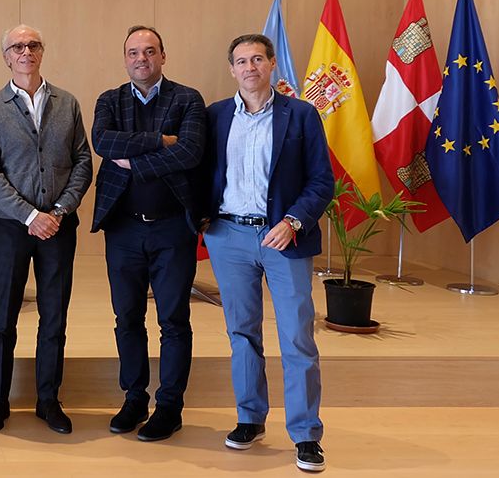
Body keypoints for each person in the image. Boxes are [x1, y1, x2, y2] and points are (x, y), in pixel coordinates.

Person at [199, 34, 332, 472]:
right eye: (241, 60)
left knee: (296, 336)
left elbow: (320, 182)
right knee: (242, 333)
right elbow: (200, 174)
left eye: (258, 58)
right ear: (231, 69)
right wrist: (199, 218)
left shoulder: (302, 115)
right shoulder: (215, 115)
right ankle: (250, 417)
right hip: (228, 237)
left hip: (284, 238)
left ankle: (306, 434)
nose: (249, 66)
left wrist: (292, 221)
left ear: (272, 64)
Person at [90, 26, 205, 442]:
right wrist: (159, 141)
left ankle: (169, 405)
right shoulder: (109, 99)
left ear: (163, 55)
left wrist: (133, 161)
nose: (142, 59)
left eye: (150, 51)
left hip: (173, 228)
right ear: (125, 59)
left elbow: (190, 152)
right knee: (127, 318)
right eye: (134, 52)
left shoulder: (187, 98)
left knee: (173, 319)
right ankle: (134, 397)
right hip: (122, 229)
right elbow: (103, 140)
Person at [0, 24, 92, 435]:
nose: (26, 51)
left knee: (54, 316)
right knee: (3, 316)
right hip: (11, 227)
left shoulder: (68, 103)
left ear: (42, 52)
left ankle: (48, 399)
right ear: (6, 56)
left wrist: (58, 211)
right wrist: (30, 216)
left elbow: (83, 162)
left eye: (33, 45)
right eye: (17, 46)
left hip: (60, 227)